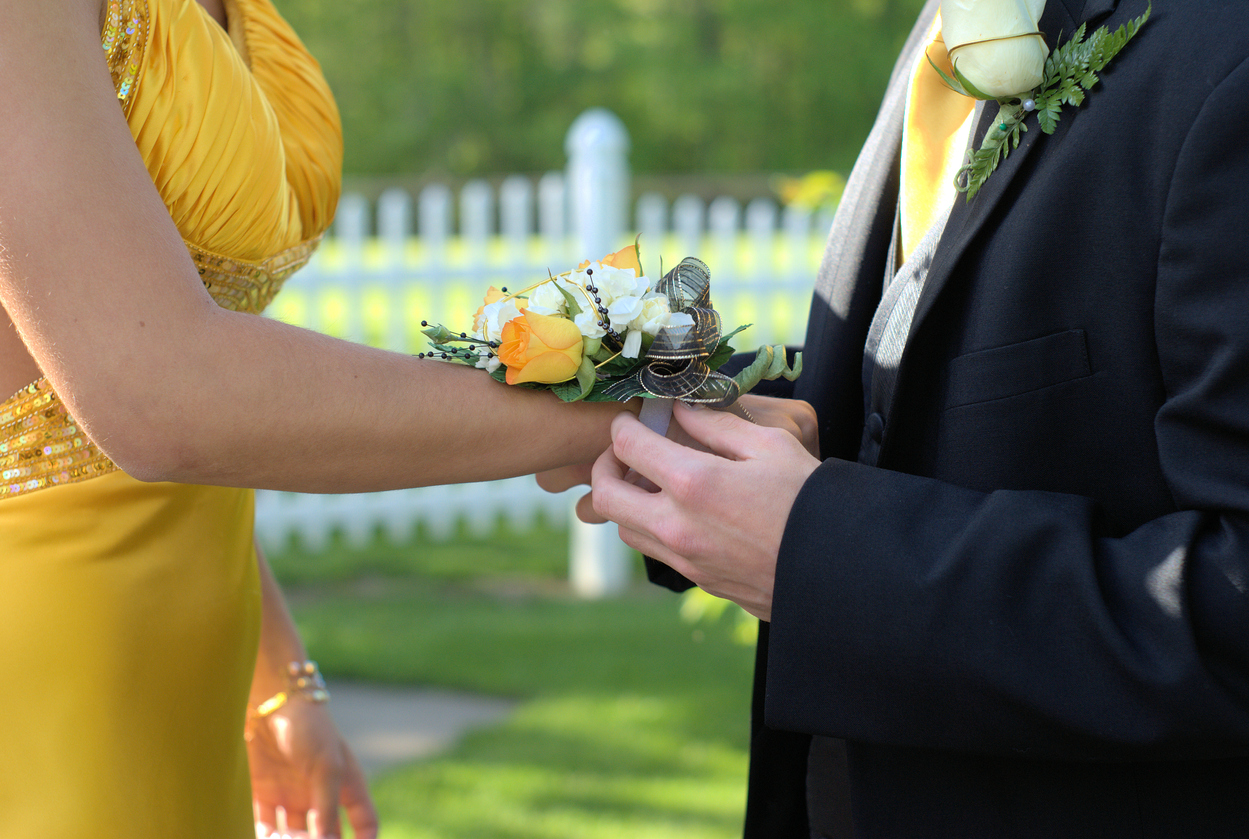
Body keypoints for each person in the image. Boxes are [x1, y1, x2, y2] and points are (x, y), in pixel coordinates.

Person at [0, 1, 816, 837]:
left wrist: (277, 681)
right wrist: (637, 408)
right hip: (44, 651)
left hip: (187, 666)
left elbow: (140, 421)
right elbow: (159, 393)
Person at [575, 0, 1249, 836]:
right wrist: (663, 411)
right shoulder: (945, 26)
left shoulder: (1226, 57)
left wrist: (818, 553)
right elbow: (910, 369)